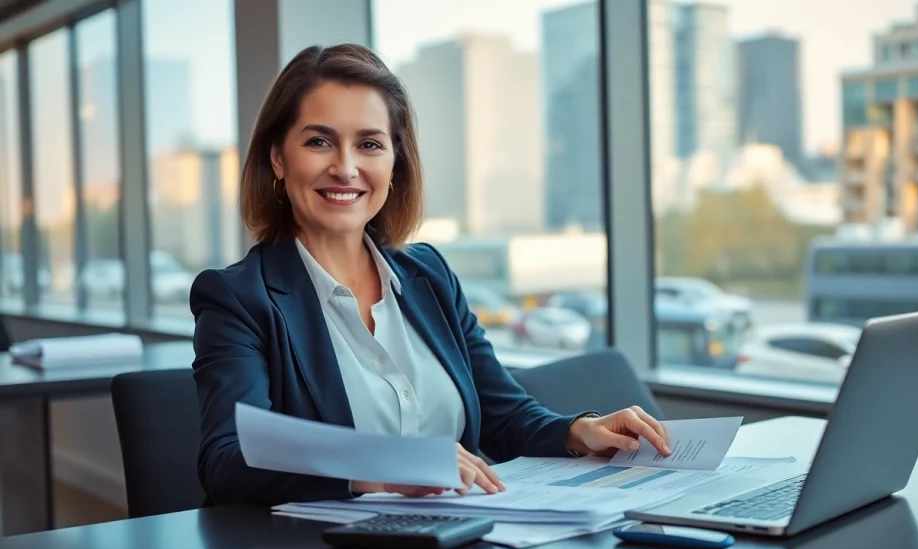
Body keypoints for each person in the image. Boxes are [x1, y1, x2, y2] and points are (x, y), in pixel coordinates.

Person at [190, 43, 671, 506]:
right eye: (319, 141)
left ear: (395, 163)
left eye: (370, 144)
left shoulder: (430, 275)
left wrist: (577, 431)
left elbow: (501, 413)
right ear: (278, 157)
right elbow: (228, 460)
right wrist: (389, 463)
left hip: (453, 543)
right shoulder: (238, 298)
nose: (346, 167)